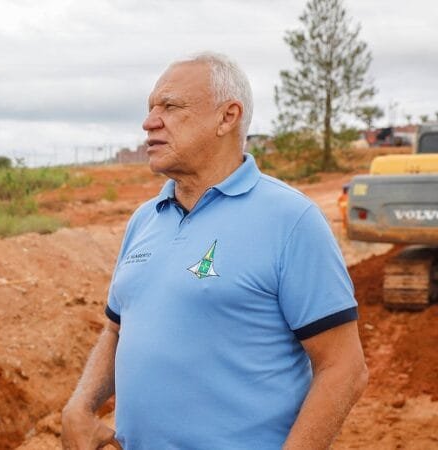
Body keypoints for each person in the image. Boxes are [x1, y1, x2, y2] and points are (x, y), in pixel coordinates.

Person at [61, 53, 368, 450]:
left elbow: (344, 368)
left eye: (170, 106)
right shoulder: (144, 220)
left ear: (227, 117)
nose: (149, 121)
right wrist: (79, 406)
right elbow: (116, 329)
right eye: (150, 107)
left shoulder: (291, 221)